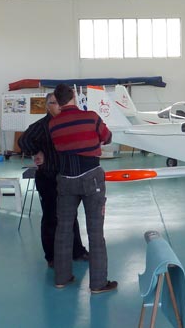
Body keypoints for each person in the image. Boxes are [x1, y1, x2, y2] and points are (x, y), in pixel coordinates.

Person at [48, 84, 117, 293]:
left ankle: (62, 278)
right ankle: (98, 283)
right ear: (73, 97)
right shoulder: (91, 117)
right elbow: (108, 137)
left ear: (58, 101)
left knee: (63, 230)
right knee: (95, 232)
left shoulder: (53, 125)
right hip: (91, 178)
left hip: (65, 180)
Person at [18, 93, 89, 268]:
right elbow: (23, 141)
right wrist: (36, 152)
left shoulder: (67, 123)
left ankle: (77, 251)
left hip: (68, 178)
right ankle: (52, 256)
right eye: (54, 103)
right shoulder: (42, 125)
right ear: (47, 106)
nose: (59, 106)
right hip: (48, 178)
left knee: (71, 215)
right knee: (51, 217)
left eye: (61, 103)